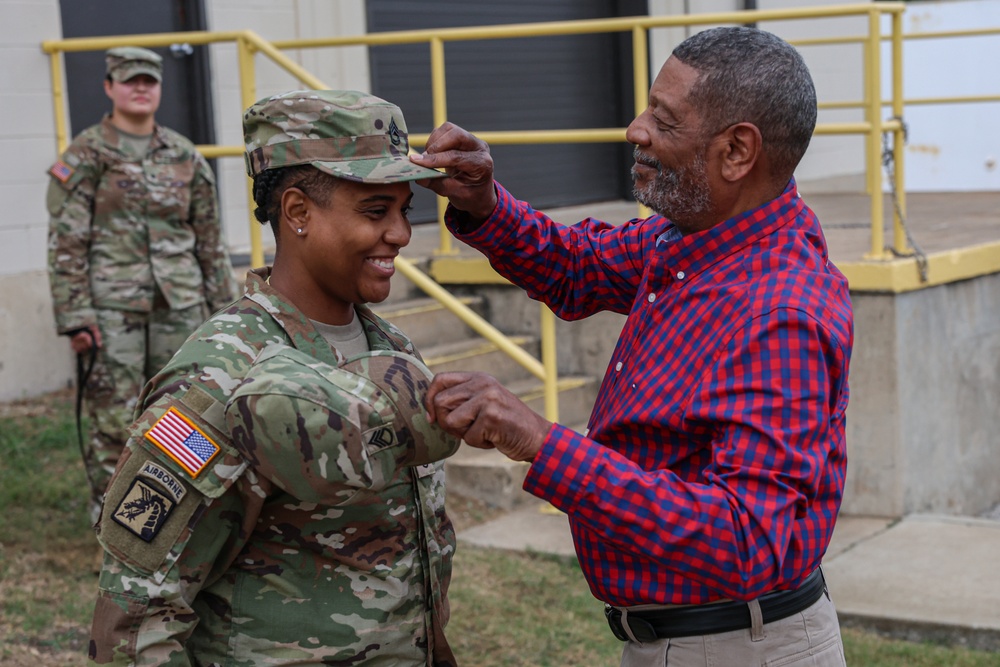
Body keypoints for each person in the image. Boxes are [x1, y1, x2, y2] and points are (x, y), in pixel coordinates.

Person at [413, 26, 853, 666]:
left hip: (734, 648)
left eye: (664, 120)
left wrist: (540, 442)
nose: (634, 128)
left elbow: (746, 539)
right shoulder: (688, 242)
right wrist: (484, 203)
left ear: (737, 152)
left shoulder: (779, 311)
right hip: (686, 638)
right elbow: (576, 264)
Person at [87, 89, 460, 667]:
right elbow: (137, 617)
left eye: (403, 210)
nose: (401, 234)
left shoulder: (392, 346)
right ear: (297, 212)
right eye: (374, 211)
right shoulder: (220, 374)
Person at [46, 46, 238, 524]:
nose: (140, 88)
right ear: (109, 87)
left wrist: (227, 315)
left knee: (188, 412)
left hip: (182, 306)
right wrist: (76, 318)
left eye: (149, 81)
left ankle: (182, 514)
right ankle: (114, 520)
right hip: (112, 313)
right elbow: (66, 242)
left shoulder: (184, 155)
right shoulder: (86, 154)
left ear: (159, 89)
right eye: (129, 80)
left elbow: (210, 243)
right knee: (115, 419)